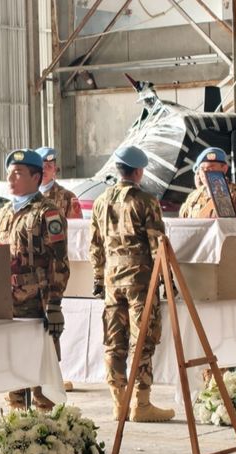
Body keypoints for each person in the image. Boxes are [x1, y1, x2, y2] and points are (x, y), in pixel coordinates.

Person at [90, 145, 175, 422]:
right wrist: (167, 281)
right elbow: (157, 245)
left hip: (112, 280)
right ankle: (141, 403)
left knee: (114, 342)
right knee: (143, 340)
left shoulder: (100, 202)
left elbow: (95, 245)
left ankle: (119, 403)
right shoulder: (146, 201)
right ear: (138, 172)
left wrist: (98, 277)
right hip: (140, 280)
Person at [0, 149, 70, 411]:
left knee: (40, 372)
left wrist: (54, 304)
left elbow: (59, 261)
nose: (10, 179)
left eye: (18, 173)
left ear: (36, 177)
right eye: (9, 174)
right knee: (11, 367)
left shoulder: (47, 213)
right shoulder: (2, 214)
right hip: (7, 304)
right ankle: (17, 423)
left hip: (36, 304)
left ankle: (46, 426)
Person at [178, 147, 236, 218]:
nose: (205, 173)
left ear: (224, 169)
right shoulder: (193, 197)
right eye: (202, 169)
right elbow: (181, 223)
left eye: (210, 168)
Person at [36, 147, 82, 219]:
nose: (44, 170)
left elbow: (76, 224)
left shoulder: (68, 197)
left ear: (54, 169)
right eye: (40, 166)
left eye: (48, 166)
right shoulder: (25, 196)